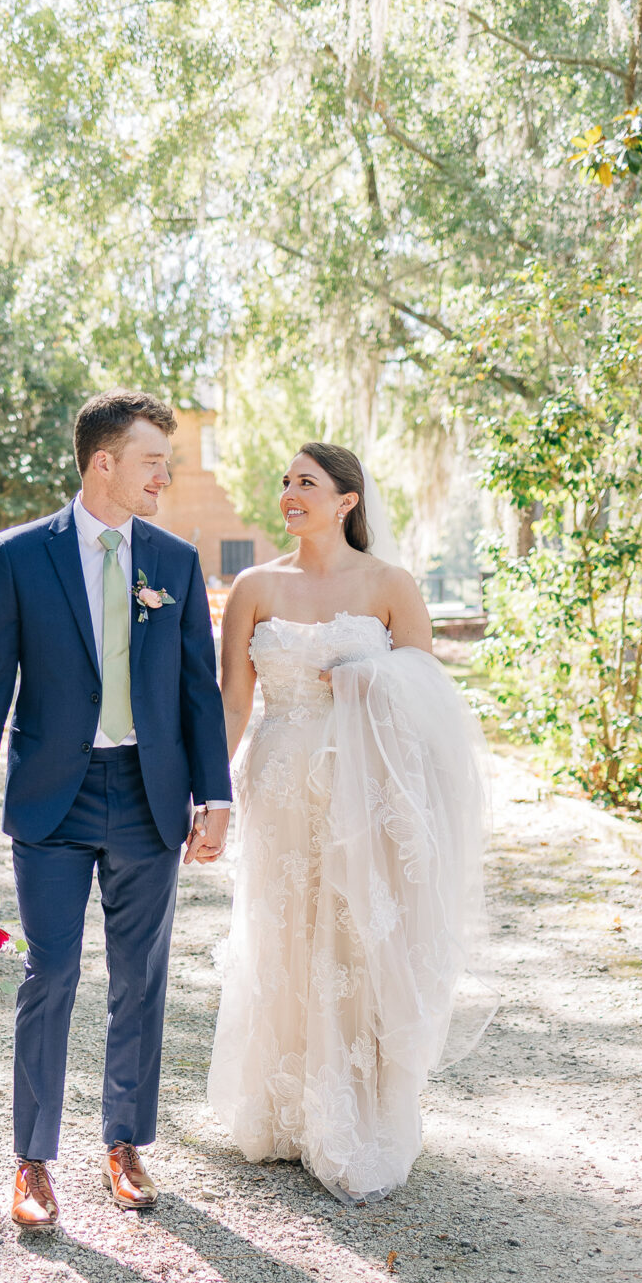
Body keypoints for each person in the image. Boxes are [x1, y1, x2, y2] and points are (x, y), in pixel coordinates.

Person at [0, 391, 232, 1230]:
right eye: (150, 462)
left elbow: (197, 693)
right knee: (50, 975)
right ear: (103, 463)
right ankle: (32, 1163)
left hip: (148, 796)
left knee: (140, 979)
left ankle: (124, 1145)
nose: (163, 478)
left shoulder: (172, 561)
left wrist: (215, 795)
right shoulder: (22, 555)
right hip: (51, 800)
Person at [207, 442, 493, 1200]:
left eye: (307, 482)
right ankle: (282, 1110)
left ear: (346, 501)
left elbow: (427, 697)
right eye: (285, 482)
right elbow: (233, 700)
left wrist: (370, 677)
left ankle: (353, 1113)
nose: (290, 493)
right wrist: (210, 791)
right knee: (283, 933)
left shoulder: (389, 585)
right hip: (276, 782)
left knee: (353, 938)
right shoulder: (253, 586)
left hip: (360, 791)